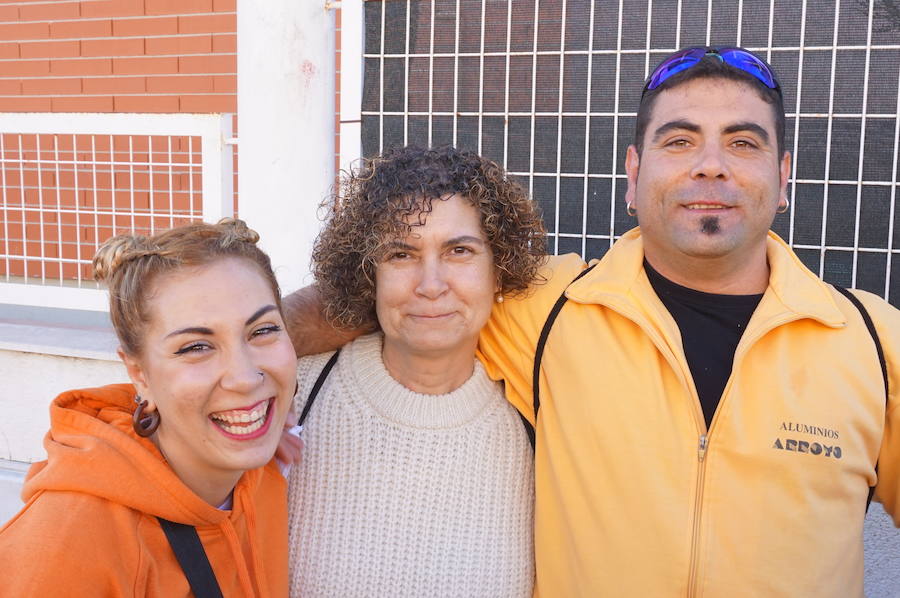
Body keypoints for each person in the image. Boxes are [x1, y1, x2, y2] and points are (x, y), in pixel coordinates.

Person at [283, 48, 899, 597]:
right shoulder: (548, 309)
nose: (711, 165)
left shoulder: (875, 343)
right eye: (679, 141)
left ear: (784, 177)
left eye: (743, 142)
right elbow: (395, 302)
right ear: (633, 175)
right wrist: (250, 354)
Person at [286, 145, 545, 597]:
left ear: (498, 271)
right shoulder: (291, 398)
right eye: (401, 255)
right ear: (369, 274)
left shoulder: (536, 422)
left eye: (459, 251)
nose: (431, 285)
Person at [0, 219, 298, 597]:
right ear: (139, 374)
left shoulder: (261, 471)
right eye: (195, 347)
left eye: (263, 331)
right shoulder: (67, 542)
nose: (244, 378)